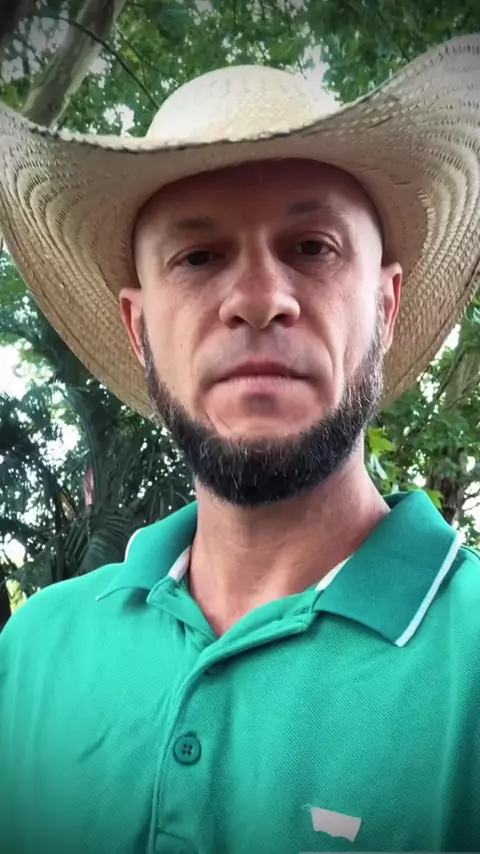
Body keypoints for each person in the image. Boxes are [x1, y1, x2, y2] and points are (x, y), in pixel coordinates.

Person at [0, 33, 480, 854]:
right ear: (139, 328)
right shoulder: (33, 652)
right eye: (198, 256)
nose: (258, 299)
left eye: (313, 248)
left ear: (386, 306)